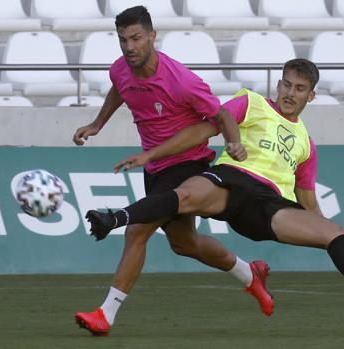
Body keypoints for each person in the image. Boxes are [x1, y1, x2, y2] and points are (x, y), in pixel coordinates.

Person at [86, 58, 344, 317]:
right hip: (232, 182)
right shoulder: (250, 103)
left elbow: (310, 204)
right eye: (286, 85)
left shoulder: (306, 145)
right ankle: (114, 219)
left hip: (270, 207)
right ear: (278, 85)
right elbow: (204, 130)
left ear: (310, 96)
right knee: (185, 196)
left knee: (336, 231)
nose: (290, 94)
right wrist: (153, 154)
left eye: (299, 89)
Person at [73, 6, 273, 337]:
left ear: (152, 37)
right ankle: (250, 275)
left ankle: (105, 314)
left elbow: (221, 115)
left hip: (187, 163)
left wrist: (234, 142)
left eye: (136, 38)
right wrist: (97, 123)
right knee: (185, 243)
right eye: (123, 40)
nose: (130, 46)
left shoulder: (181, 80)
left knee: (137, 232)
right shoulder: (121, 70)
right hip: (154, 166)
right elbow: (119, 88)